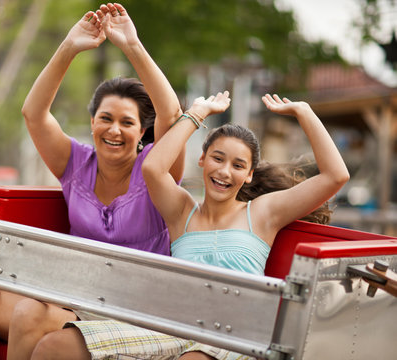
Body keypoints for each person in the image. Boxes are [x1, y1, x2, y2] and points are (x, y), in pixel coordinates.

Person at [29, 91, 350, 360]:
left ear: (249, 174)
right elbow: (153, 168)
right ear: (203, 160)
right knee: (54, 347)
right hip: (172, 326)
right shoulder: (182, 211)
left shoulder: (263, 212)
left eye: (238, 165)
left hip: (234, 335)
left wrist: (304, 112)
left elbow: (335, 176)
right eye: (217, 158)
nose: (224, 172)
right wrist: (196, 114)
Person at [0, 3, 185, 359]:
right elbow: (34, 113)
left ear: (142, 134)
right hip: (75, 299)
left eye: (126, 122)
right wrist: (70, 47)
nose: (114, 130)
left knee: (29, 314)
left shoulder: (156, 169)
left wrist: (132, 46)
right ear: (92, 123)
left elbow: (172, 114)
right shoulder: (75, 163)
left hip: (135, 310)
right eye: (105, 118)